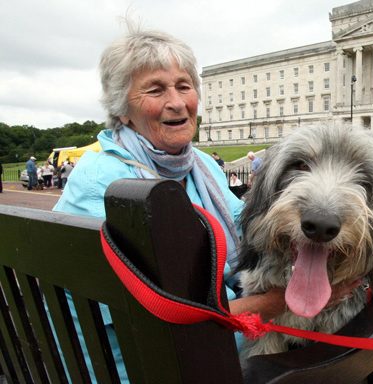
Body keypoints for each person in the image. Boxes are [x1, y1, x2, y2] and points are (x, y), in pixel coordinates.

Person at [53, 25, 355, 381]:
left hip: (196, 349)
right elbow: (155, 318)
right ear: (122, 110)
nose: (177, 102)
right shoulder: (102, 181)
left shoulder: (202, 166)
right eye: (155, 89)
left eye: (184, 86)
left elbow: (252, 229)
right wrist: (276, 303)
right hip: (143, 365)